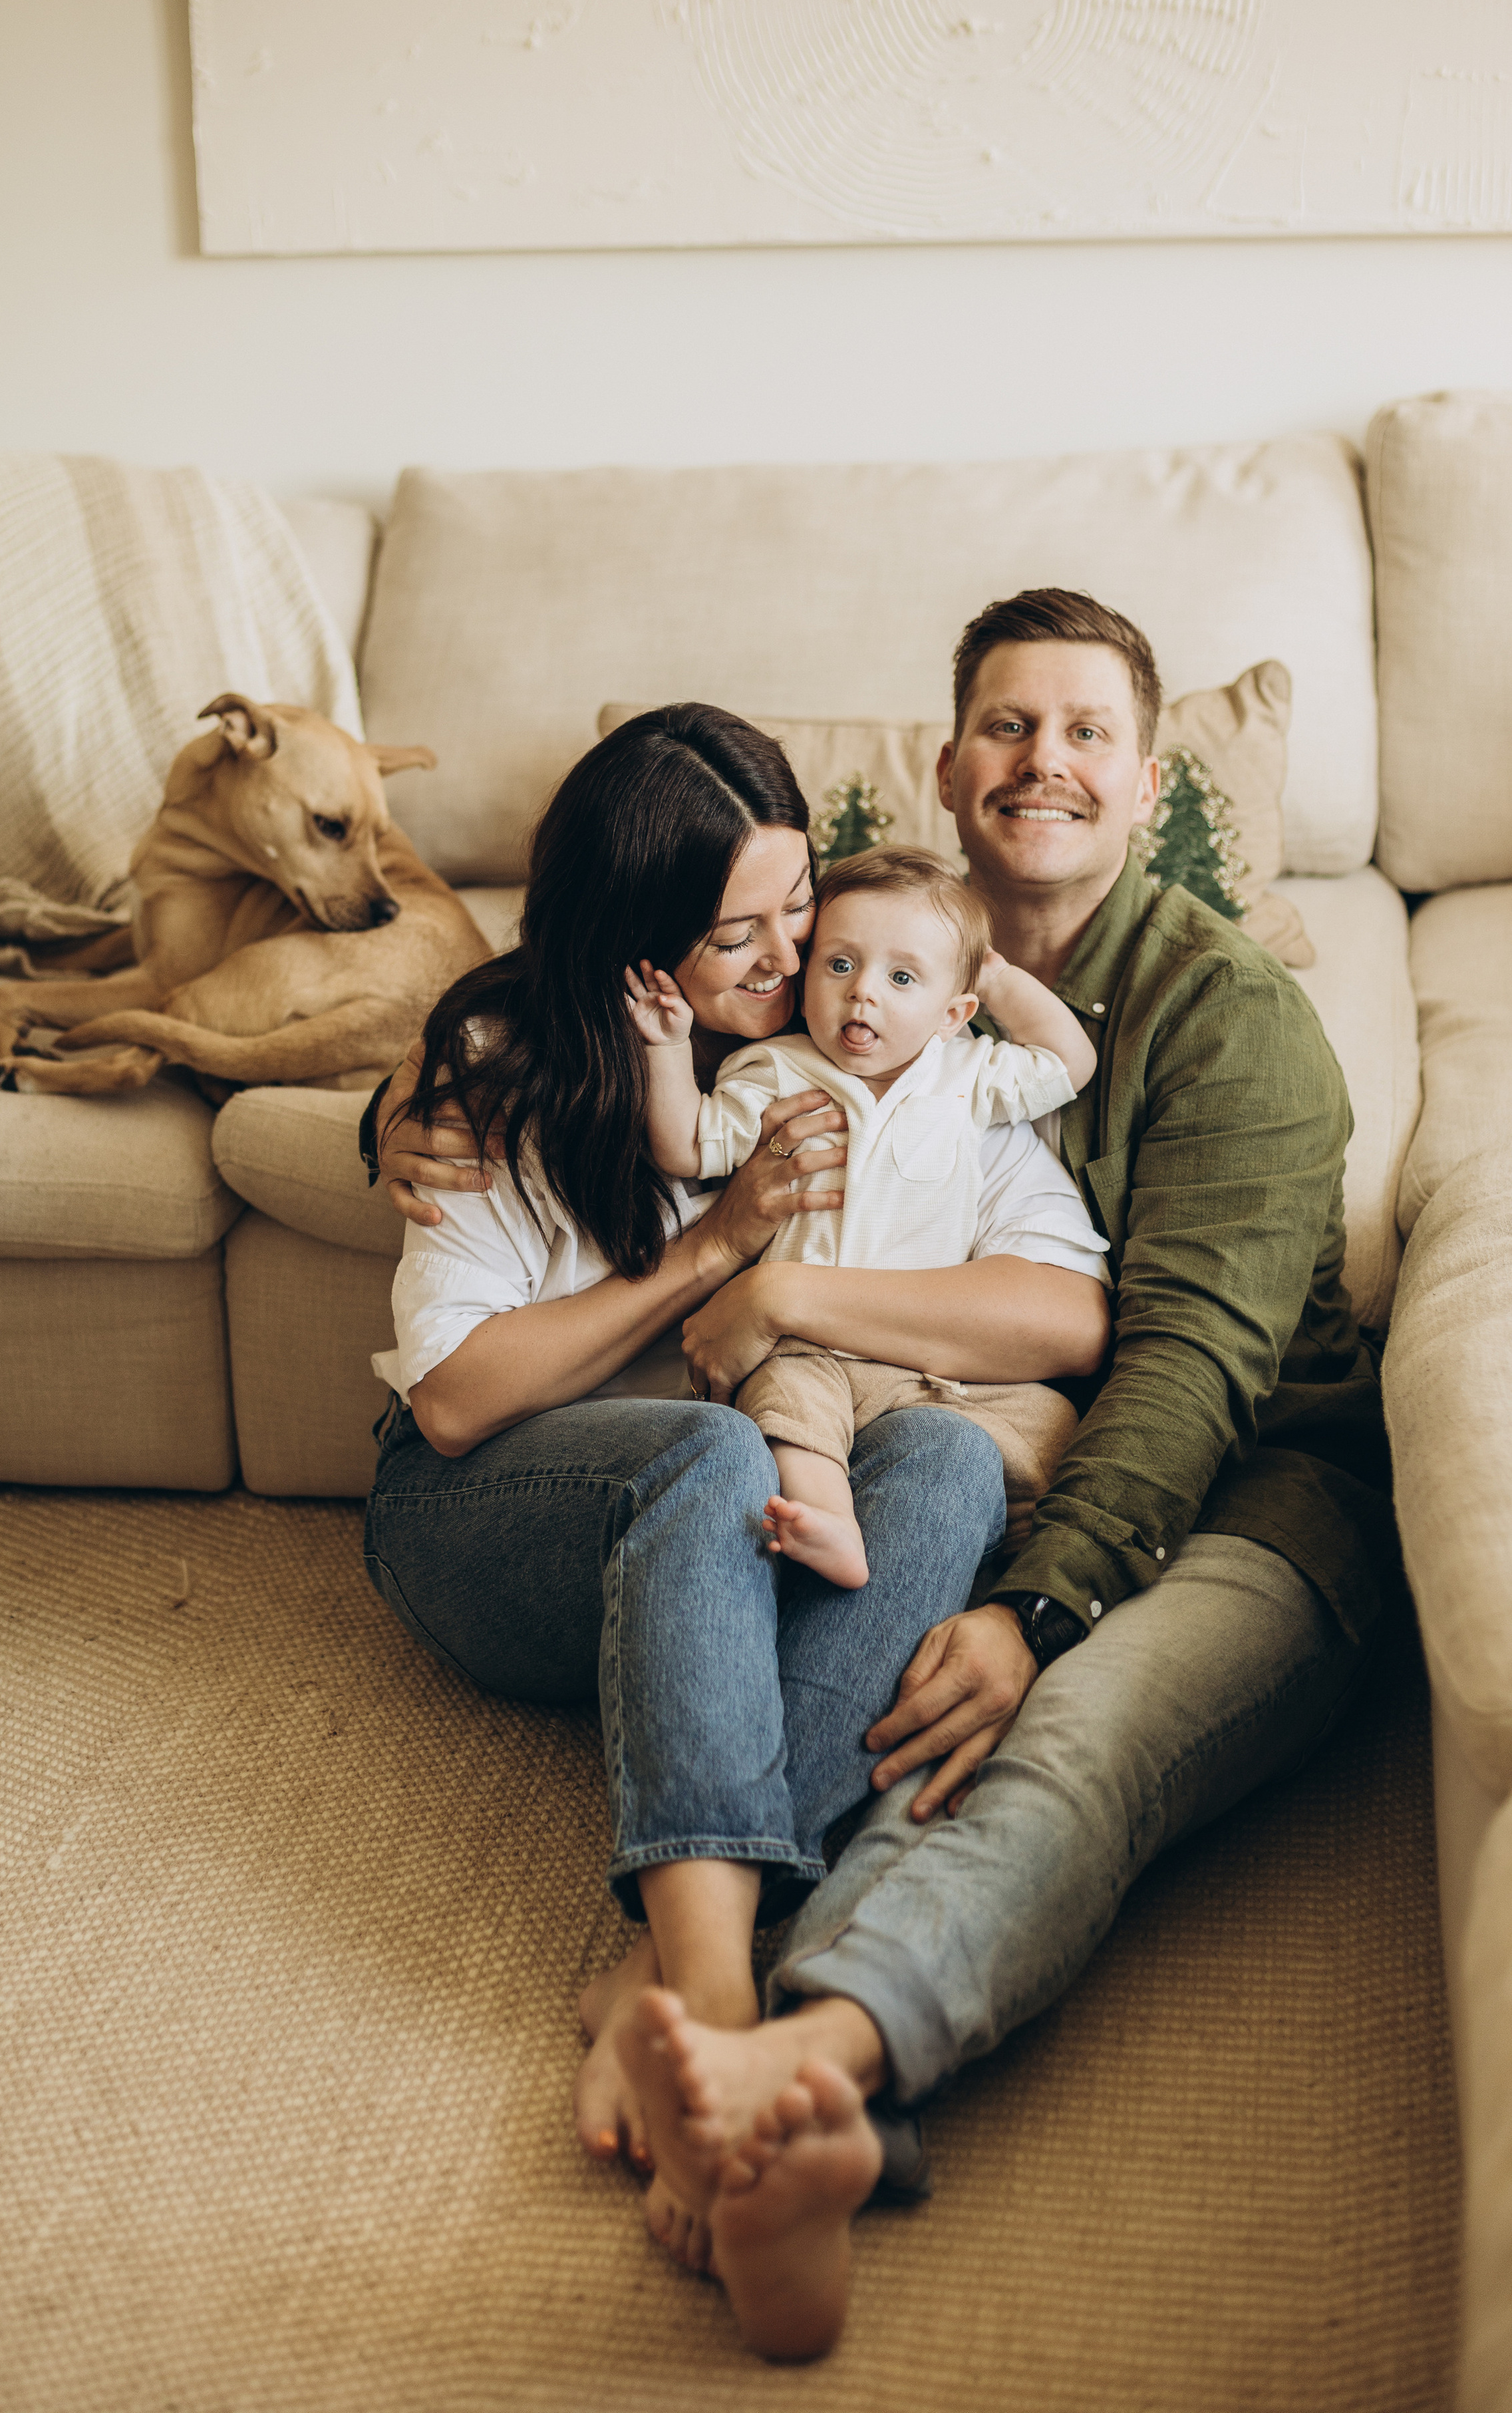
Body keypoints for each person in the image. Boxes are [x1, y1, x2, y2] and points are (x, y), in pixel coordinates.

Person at [379, 592, 1399, 2365]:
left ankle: (783, 2058)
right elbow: (562, 1073)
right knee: (813, 1502)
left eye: (1089, 731)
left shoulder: (1184, 1020)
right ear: (942, 768)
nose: (1045, 764)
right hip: (736, 1451)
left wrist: (1036, 1600)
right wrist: (399, 1109)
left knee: (1008, 1667)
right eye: (1009, 726)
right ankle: (737, 1993)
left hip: (1216, 1481)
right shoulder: (818, 983)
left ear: (1153, 780)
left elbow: (1169, 1355)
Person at [361, 702, 1112, 2338]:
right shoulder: (500, 1077)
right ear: (639, 948)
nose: (795, 960)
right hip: (497, 1519)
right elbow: (455, 1404)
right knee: (702, 1453)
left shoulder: (866, 1062)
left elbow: (1056, 1308)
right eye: (741, 933)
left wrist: (797, 1274)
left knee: (945, 1464)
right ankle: (717, 2000)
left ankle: (684, 1988)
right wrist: (715, 1256)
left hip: (722, 1555)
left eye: (802, 913)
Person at [626, 845, 1098, 1588]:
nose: (863, 994)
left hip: (930, 1359)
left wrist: (999, 977)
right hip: (806, 1347)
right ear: (805, 978)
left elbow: (1070, 1060)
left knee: (1049, 1424)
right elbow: (688, 1143)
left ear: (953, 1013)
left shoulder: (968, 1077)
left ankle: (1015, 1537)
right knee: (780, 1403)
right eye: (839, 966)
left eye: (901, 977)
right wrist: (667, 1048)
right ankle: (829, 1522)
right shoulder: (775, 1072)